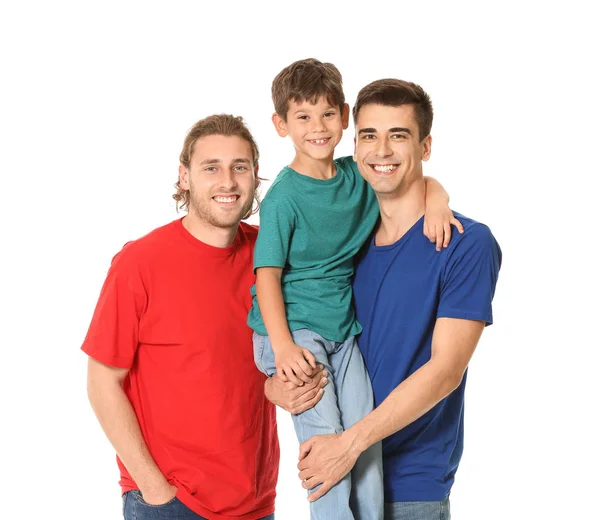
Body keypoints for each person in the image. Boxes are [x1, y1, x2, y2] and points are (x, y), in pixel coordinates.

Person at [81, 114, 326, 520]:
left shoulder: (268, 256)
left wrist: (277, 388)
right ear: (184, 177)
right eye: (211, 167)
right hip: (171, 501)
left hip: (255, 500)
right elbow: (102, 382)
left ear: (255, 176)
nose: (227, 182)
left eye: (240, 167)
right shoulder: (140, 263)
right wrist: (153, 487)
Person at [248, 59, 460, 520]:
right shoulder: (284, 196)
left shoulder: (357, 175)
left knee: (364, 441)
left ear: (344, 117)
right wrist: (283, 350)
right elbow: (265, 275)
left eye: (327, 114)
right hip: (295, 332)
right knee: (326, 446)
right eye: (302, 117)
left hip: (342, 331)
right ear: (281, 124)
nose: (317, 128)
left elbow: (408, 175)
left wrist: (439, 199)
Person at [287, 79, 502, 520]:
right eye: (369, 135)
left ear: (424, 147)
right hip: (339, 479)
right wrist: (278, 384)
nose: (381, 151)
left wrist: (347, 446)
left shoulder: (466, 244)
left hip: (410, 487)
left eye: (398, 136)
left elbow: (445, 372)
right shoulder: (347, 239)